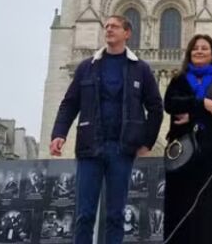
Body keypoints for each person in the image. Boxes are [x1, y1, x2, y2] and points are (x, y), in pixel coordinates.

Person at [49, 14, 164, 244]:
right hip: (90, 147)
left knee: (116, 215)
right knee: (84, 214)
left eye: (115, 26)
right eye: (107, 26)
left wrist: (147, 141)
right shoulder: (86, 67)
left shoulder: (140, 69)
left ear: (127, 33)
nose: (109, 30)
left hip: (121, 150)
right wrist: (59, 134)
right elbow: (70, 103)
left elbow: (156, 107)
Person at [163, 34, 212, 243]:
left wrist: (191, 113)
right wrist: (202, 104)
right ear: (189, 53)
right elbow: (170, 104)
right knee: (183, 206)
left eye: (204, 48)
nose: (199, 51)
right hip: (185, 154)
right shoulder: (178, 79)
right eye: (195, 48)